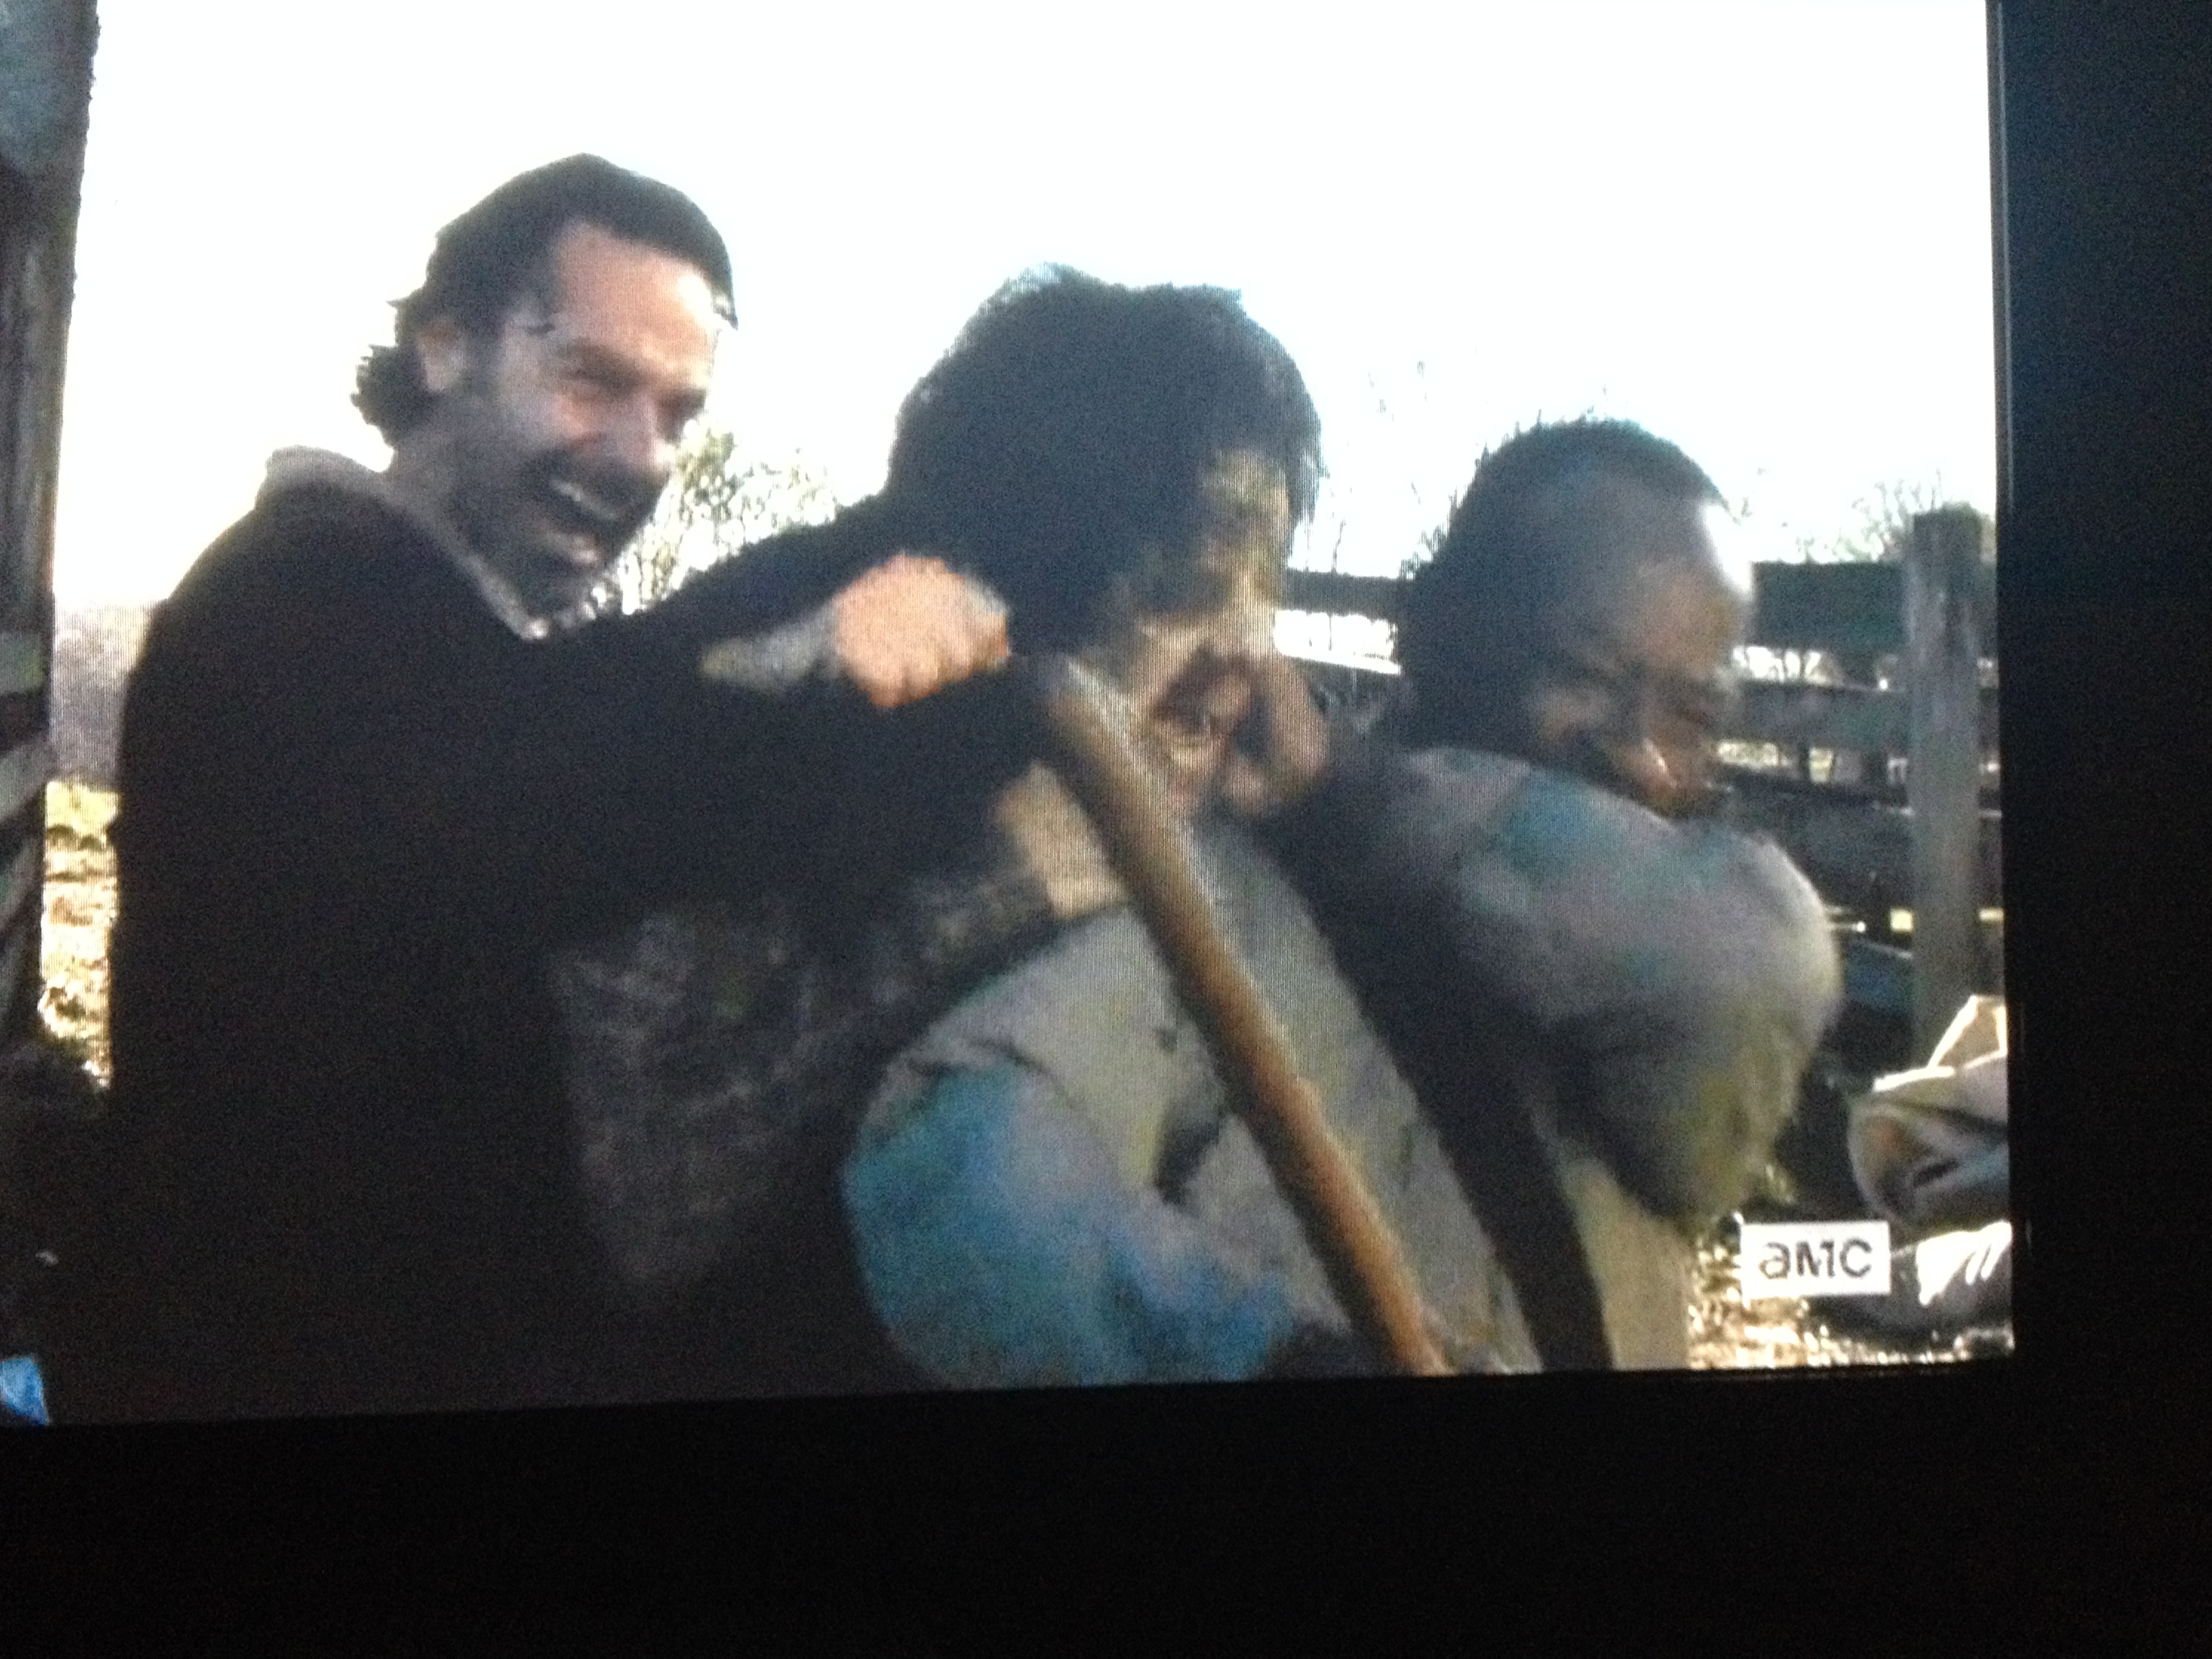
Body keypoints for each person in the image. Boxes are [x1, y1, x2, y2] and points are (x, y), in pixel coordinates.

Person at [63, 157, 1017, 1420]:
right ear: (447, 346)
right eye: (592, 381)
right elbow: (548, 787)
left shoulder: (486, 643)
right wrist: (852, 591)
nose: (636, 455)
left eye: (677, 414)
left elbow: (595, 722)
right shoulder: (292, 600)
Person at [814, 272, 1540, 1386]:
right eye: (1181, 591)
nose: (1243, 654)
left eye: (1263, 594)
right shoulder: (949, 881)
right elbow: (979, 1169)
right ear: (1005, 595)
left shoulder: (1277, 856)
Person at [1265, 419, 1842, 1368]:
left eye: (1691, 714)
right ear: (1439, 638)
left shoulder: (1655, 959)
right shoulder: (1267, 904)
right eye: (1584, 675)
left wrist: (1352, 794)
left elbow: (1748, 970)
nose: (1645, 758)